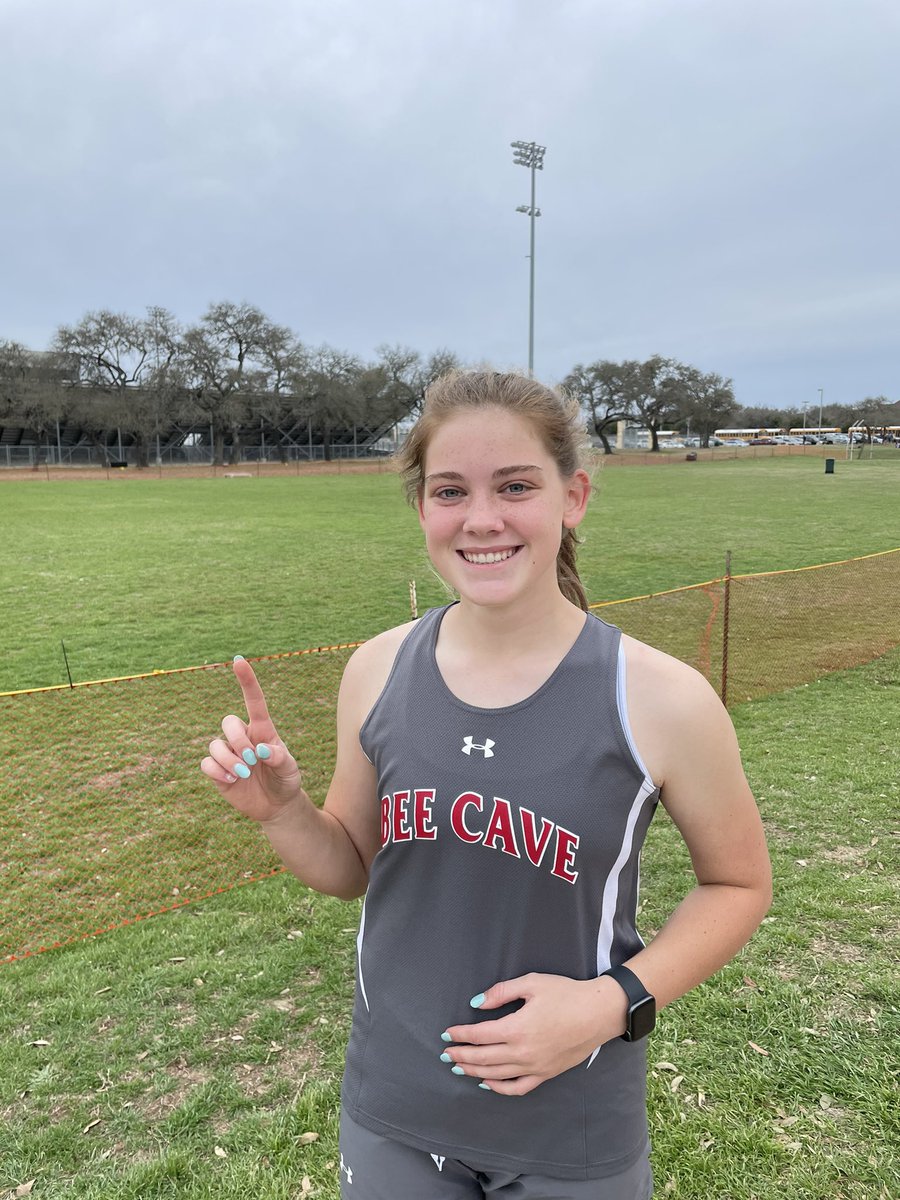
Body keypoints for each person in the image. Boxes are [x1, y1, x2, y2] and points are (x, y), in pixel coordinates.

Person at [201, 370, 772, 1199]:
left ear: (572, 497)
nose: (482, 519)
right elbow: (351, 865)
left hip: (567, 1120)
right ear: (422, 508)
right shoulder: (375, 669)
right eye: (450, 490)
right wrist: (284, 811)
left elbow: (739, 884)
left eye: (515, 486)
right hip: (393, 1107)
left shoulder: (662, 697)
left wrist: (609, 1004)